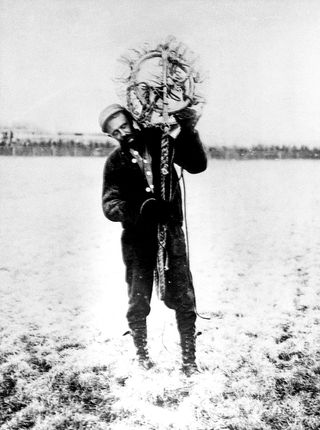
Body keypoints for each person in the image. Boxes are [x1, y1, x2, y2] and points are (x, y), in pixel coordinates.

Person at [100, 104, 207, 376]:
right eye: (116, 132)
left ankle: (189, 361)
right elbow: (110, 205)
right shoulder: (115, 162)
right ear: (111, 136)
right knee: (138, 301)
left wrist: (189, 130)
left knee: (183, 296)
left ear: (133, 121)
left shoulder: (161, 144)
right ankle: (142, 356)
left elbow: (196, 165)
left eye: (124, 126)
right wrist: (140, 209)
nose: (123, 133)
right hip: (137, 241)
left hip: (171, 234)